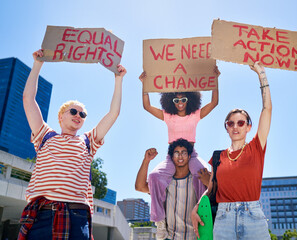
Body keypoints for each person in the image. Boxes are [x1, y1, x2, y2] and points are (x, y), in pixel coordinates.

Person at [18, 49, 126, 240]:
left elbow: (113, 114)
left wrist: (118, 79)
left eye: (82, 114)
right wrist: (38, 64)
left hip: (76, 217)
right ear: (61, 116)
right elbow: (28, 99)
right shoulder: (44, 135)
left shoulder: (88, 141)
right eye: (74, 111)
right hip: (41, 215)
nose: (78, 116)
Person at [191, 61, 272, 240]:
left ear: (248, 127)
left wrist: (261, 75)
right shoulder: (218, 157)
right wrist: (196, 208)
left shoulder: (256, 148)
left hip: (253, 217)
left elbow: (267, 109)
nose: (236, 127)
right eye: (231, 123)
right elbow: (211, 189)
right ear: (226, 128)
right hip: (223, 218)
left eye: (241, 123)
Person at [138, 69, 219, 238]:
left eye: (183, 99)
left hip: (191, 155)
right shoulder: (168, 116)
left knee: (208, 176)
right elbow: (146, 106)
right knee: (153, 176)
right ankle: (159, 221)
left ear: (190, 100)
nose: (180, 102)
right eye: (176, 99)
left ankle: (202, 215)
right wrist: (145, 86)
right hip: (172, 155)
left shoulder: (195, 115)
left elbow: (214, 102)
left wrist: (215, 80)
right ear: (171, 101)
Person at [135, 138, 207, 240]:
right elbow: (139, 187)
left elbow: (216, 192)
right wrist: (146, 161)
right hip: (170, 237)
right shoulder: (164, 182)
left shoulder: (198, 180)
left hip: (196, 236)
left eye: (184, 153)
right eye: (176, 153)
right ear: (172, 157)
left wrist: (208, 181)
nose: (180, 156)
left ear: (190, 156)